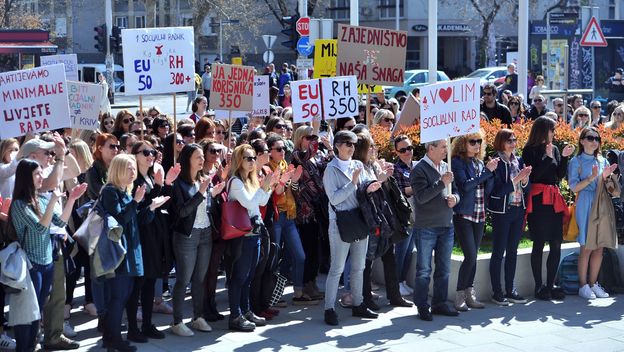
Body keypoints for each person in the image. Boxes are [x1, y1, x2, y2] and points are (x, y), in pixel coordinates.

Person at [10, 159, 87, 352]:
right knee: (27, 312)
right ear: (26, 177)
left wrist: (70, 200)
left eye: (40, 173)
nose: (41, 177)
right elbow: (39, 227)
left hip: (47, 262)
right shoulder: (19, 204)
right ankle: (24, 347)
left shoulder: (41, 198)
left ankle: (31, 345)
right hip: (30, 264)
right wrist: (53, 201)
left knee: (38, 311)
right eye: (37, 174)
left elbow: (59, 223)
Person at [99, 154, 168, 351]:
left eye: (133, 168)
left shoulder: (126, 192)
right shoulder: (110, 192)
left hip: (132, 250)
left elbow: (136, 220)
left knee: (125, 295)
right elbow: (120, 220)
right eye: (128, 168)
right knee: (118, 296)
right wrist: (136, 202)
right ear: (118, 169)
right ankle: (112, 338)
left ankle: (111, 337)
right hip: (120, 252)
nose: (133, 172)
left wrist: (152, 207)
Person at [322, 131, 379, 326]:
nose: (351, 147)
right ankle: (329, 309)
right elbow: (335, 199)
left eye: (353, 144)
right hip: (341, 222)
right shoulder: (330, 169)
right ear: (337, 145)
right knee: (337, 269)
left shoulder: (358, 165)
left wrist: (371, 186)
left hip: (360, 219)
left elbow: (362, 190)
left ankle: (359, 304)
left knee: (359, 267)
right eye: (347, 143)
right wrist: (353, 183)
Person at [125, 141, 180, 342]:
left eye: (153, 152)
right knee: (138, 283)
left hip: (154, 233)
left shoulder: (149, 176)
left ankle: (147, 323)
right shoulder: (133, 179)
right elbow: (140, 207)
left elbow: (161, 201)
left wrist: (166, 184)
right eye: (146, 152)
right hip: (140, 235)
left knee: (150, 281)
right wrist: (158, 187)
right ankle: (133, 327)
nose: (151, 156)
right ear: (134, 154)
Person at [226, 144, 279, 331]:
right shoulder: (235, 182)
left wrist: (267, 187)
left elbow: (262, 202)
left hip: (254, 232)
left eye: (253, 158)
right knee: (239, 276)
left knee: (249, 276)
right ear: (239, 160)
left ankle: (246, 311)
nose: (252, 162)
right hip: (242, 234)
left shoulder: (250, 180)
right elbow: (249, 203)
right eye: (248, 158)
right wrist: (263, 187)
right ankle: (235, 315)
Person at [523, 117, 575, 301]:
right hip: (538, 200)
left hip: (553, 199)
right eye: (552, 130)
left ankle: (551, 283)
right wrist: (546, 158)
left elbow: (559, 175)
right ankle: (539, 286)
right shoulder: (530, 150)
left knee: (556, 242)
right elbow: (534, 175)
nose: (554, 133)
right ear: (543, 131)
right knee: (538, 242)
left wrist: (565, 157)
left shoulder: (554, 148)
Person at [410, 139, 459, 321]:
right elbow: (421, 197)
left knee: (444, 269)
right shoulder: (418, 169)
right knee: (424, 270)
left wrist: (456, 198)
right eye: (443, 146)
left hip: (446, 224)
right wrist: (441, 182)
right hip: (427, 227)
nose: (447, 150)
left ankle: (440, 303)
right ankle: (422, 305)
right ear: (431, 148)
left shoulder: (447, 166)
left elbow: (457, 190)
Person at [169, 144, 215, 336]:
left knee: (200, 278)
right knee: (184, 279)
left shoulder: (202, 179)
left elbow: (207, 206)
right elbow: (182, 211)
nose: (202, 160)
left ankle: (198, 317)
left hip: (206, 233)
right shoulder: (179, 183)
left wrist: (214, 194)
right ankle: (177, 321)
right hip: (186, 235)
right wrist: (200, 194)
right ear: (187, 159)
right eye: (198, 157)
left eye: (201, 157)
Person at [567, 128, 618, 300]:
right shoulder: (576, 161)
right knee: (587, 246)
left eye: (597, 138)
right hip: (585, 202)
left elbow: (608, 187)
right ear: (582, 141)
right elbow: (574, 187)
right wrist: (592, 177)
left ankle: (593, 283)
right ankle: (583, 286)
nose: (594, 141)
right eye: (590, 138)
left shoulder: (602, 160)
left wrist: (607, 177)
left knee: (599, 246)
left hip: (602, 202)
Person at [450, 132, 496, 311]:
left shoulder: (478, 163)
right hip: (464, 214)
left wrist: (491, 174)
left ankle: (470, 293)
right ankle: (460, 294)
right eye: (472, 141)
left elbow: (486, 188)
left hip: (479, 213)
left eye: (479, 141)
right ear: (463, 143)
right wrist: (487, 173)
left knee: (474, 256)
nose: (477, 144)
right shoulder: (457, 162)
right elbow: (466, 186)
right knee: (469, 255)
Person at [487, 129, 532, 306]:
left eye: (514, 139)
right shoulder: (496, 162)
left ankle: (510, 290)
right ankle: (497, 292)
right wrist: (516, 180)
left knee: (512, 251)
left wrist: (525, 180)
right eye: (509, 140)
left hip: (517, 210)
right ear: (501, 142)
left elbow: (526, 188)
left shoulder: (518, 160)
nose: (513, 143)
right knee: (498, 252)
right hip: (502, 212)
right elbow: (495, 192)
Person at [392, 135, 416, 297]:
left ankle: (402, 280)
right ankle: (396, 283)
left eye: (409, 148)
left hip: (417, 214)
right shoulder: (396, 169)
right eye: (403, 150)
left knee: (409, 250)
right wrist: (421, 185)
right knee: (401, 250)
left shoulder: (416, 166)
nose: (407, 152)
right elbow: (402, 192)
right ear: (397, 152)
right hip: (403, 215)